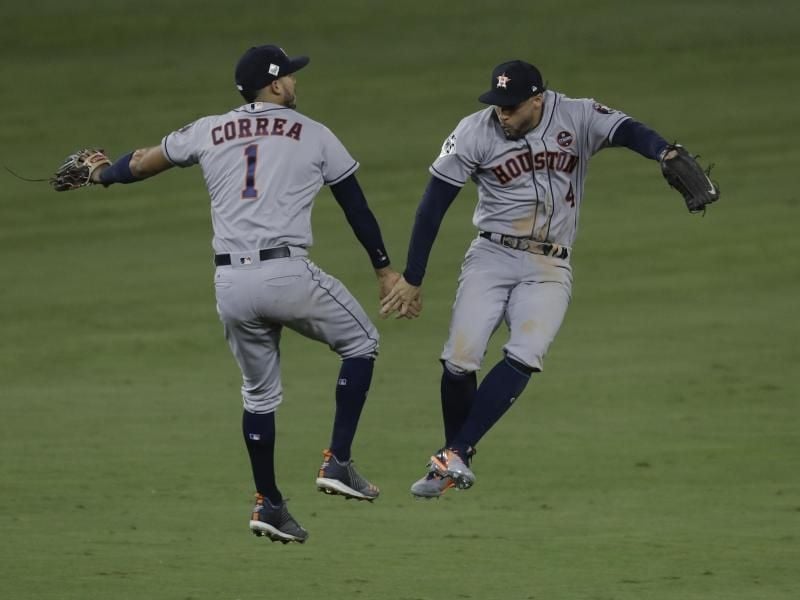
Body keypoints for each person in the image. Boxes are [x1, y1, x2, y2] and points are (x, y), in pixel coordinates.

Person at [58, 44, 403, 542]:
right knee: (362, 344)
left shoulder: (208, 128)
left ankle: (269, 502)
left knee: (259, 395)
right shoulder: (315, 133)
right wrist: (385, 270)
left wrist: (98, 173)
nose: (295, 83)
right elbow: (356, 207)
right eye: (290, 76)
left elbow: (139, 164)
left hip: (231, 286)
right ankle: (338, 462)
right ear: (277, 85)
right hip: (286, 275)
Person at [380, 60, 719, 498]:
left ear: (537, 100)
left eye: (512, 106)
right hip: (491, 256)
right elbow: (432, 206)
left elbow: (627, 130)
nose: (502, 113)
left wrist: (663, 151)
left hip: (549, 265)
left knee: (526, 353)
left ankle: (454, 453)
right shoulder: (472, 132)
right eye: (497, 104)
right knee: (459, 360)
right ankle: (455, 454)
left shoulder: (576, 115)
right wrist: (413, 276)